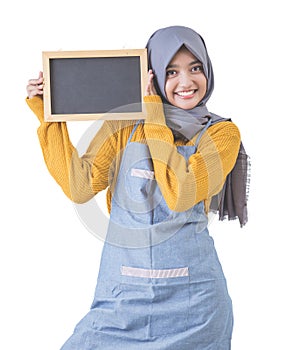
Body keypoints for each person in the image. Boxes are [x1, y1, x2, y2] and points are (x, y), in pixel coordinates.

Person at [26, 25, 248, 350]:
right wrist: (47, 116)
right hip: (121, 303)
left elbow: (181, 192)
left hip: (195, 306)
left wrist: (153, 113)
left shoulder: (221, 134)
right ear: (152, 74)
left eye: (195, 68)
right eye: (171, 71)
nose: (186, 82)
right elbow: (79, 185)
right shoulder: (123, 126)